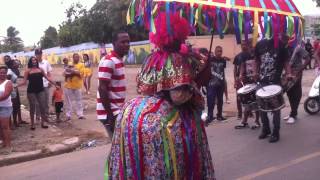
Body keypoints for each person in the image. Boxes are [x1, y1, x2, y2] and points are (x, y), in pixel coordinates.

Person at [106, 13, 215, 179]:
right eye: (182, 37)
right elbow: (178, 96)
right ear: (177, 36)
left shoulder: (152, 58)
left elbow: (144, 87)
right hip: (166, 115)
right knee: (187, 139)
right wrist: (196, 85)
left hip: (136, 108)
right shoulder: (178, 59)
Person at [254, 34, 292, 143]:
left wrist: (288, 73)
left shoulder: (281, 46)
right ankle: (266, 129)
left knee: (276, 108)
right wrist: (255, 72)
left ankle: (276, 132)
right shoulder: (260, 44)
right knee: (261, 107)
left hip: (275, 82)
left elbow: (286, 63)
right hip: (262, 82)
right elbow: (256, 60)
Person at [97, 31, 130, 136]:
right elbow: (102, 89)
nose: (126, 45)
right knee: (118, 148)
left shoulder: (118, 59)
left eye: (128, 42)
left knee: (120, 147)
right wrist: (110, 116)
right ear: (114, 43)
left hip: (117, 111)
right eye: (123, 42)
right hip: (111, 113)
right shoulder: (109, 61)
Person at [17, 57, 56, 130]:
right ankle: (32, 123)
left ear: (36, 61)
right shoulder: (28, 71)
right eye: (32, 60)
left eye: (35, 60)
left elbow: (47, 78)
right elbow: (24, 82)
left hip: (40, 89)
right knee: (32, 106)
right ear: (30, 62)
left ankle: (43, 122)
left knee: (42, 106)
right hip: (31, 90)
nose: (34, 61)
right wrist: (16, 85)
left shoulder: (41, 69)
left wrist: (55, 83)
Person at [235, 40, 260, 129]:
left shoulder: (257, 54)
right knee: (247, 101)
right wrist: (241, 75)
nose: (249, 48)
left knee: (256, 101)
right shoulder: (244, 55)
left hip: (256, 81)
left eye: (250, 45)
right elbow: (242, 66)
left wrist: (257, 74)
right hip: (247, 81)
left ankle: (257, 121)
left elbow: (259, 65)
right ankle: (244, 121)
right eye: (248, 46)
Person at [284, 41, 311, 124]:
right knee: (289, 93)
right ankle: (293, 113)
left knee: (296, 92)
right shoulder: (284, 49)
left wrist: (301, 69)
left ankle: (293, 115)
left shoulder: (298, 48)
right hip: (287, 73)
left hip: (296, 73)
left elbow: (308, 58)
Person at [206, 46, 227, 124]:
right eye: (218, 51)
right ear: (215, 52)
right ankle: (210, 116)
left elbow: (223, 71)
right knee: (210, 101)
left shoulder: (223, 61)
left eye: (221, 51)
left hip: (220, 84)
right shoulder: (210, 60)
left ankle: (219, 115)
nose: (219, 53)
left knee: (220, 100)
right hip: (211, 84)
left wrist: (223, 82)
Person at [64, 53, 85, 120]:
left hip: (78, 85)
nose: (77, 58)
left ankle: (80, 114)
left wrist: (73, 72)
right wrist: (74, 72)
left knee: (79, 100)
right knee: (68, 101)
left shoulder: (81, 65)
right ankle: (68, 115)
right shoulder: (70, 64)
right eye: (75, 57)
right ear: (73, 58)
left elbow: (81, 74)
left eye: (78, 57)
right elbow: (65, 73)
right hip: (69, 85)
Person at [35, 48, 53, 121]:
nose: (39, 55)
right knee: (37, 102)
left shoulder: (46, 62)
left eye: (40, 54)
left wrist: (50, 81)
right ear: (35, 55)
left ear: (42, 54)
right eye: (37, 54)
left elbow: (49, 73)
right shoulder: (33, 63)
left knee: (46, 101)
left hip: (45, 84)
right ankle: (38, 116)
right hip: (36, 85)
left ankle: (46, 116)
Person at [0, 66, 14, 150]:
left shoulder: (8, 82)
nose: (2, 74)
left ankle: (8, 146)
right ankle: (4, 143)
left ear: (6, 73)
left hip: (5, 107)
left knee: (5, 126)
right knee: (1, 127)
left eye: (3, 72)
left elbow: (6, 95)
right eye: (0, 72)